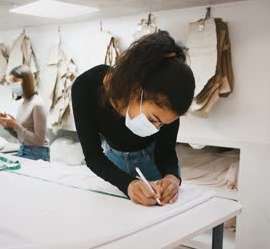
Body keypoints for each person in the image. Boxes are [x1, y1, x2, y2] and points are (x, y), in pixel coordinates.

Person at [71, 31, 195, 206]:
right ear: (137, 89)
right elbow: (93, 156)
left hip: (152, 161)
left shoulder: (168, 101)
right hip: (111, 165)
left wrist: (172, 177)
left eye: (162, 124)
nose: (156, 128)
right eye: (153, 119)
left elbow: (166, 152)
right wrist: (127, 184)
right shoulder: (86, 88)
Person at [0, 65, 50, 161]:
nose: (12, 85)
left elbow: (38, 141)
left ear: (27, 81)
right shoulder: (23, 104)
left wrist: (15, 125)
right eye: (11, 82)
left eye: (15, 80)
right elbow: (22, 137)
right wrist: (8, 126)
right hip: (24, 150)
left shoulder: (37, 104)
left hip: (38, 153)